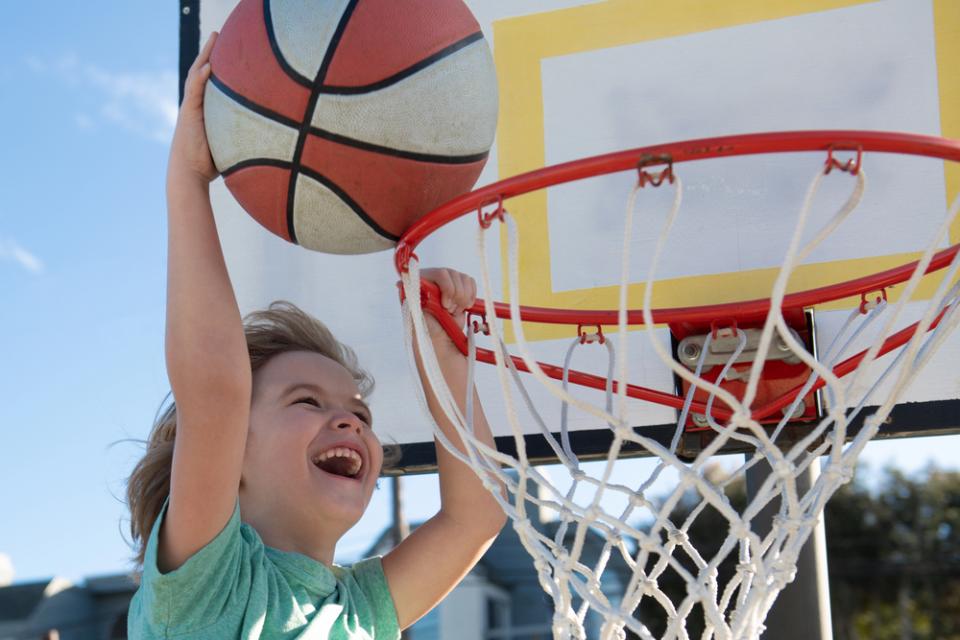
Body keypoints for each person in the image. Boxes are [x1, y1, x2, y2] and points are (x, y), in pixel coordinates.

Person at [124, 32, 506, 639]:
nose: (352, 421)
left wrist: (440, 351)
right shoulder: (208, 588)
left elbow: (477, 514)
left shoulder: (358, 610)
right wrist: (188, 180)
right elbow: (217, 392)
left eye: (360, 412)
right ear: (232, 455)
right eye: (307, 401)